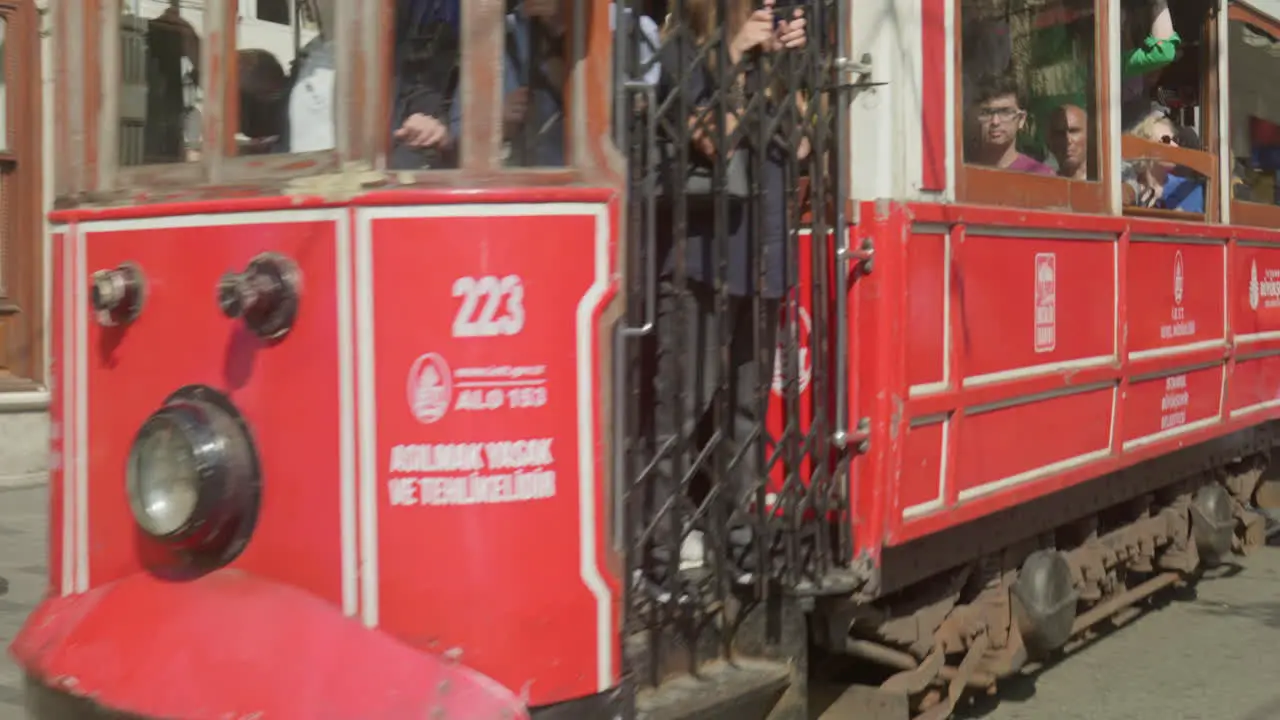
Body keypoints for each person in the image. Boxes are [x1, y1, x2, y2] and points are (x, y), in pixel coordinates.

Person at [643, 0, 807, 575]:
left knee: (746, 412)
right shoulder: (684, 53)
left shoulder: (769, 63)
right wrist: (736, 61)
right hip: (701, 258)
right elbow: (713, 141)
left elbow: (804, 148)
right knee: (682, 409)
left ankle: (739, 539)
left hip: (762, 256)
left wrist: (790, 68)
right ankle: (661, 552)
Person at [967, 75, 1054, 175]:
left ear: (1021, 119)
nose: (995, 122)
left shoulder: (1040, 176)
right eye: (987, 112)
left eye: (1005, 112)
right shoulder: (961, 172)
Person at [1125, 111, 1204, 213]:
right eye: (1166, 140)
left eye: (1175, 140)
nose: (1176, 146)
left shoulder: (1188, 189)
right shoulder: (1129, 188)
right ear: (1146, 148)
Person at [1047, 103, 1088, 180]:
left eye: (1074, 131)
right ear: (1050, 140)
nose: (1067, 140)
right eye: (1060, 133)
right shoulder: (1044, 184)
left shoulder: (1112, 183)